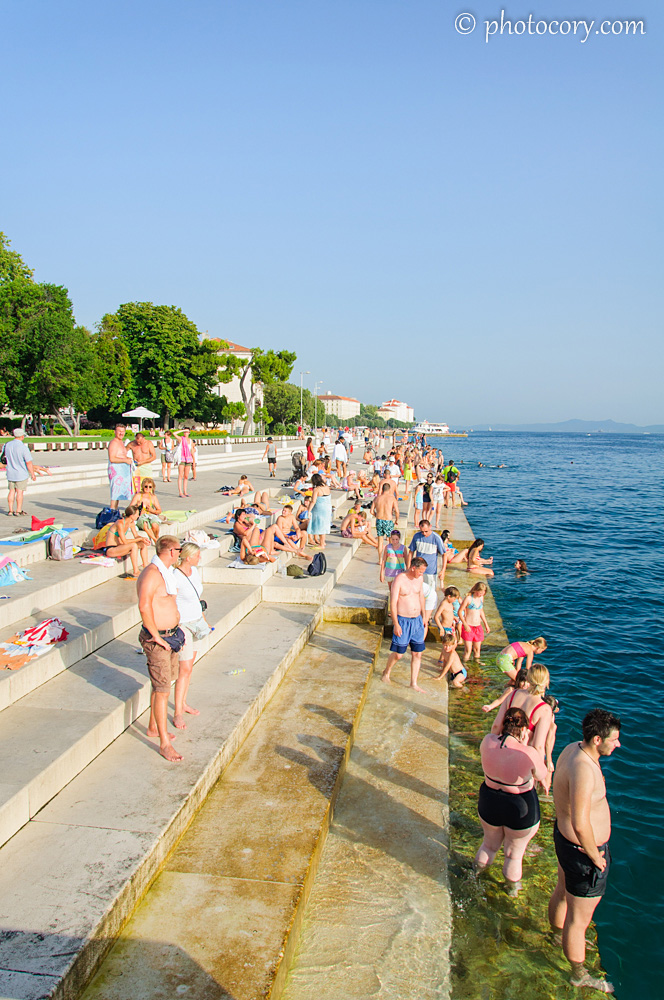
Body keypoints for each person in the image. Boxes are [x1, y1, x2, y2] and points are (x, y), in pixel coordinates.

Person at [547, 709, 621, 994]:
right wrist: (594, 857)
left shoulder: (571, 749)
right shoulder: (584, 770)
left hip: (566, 842)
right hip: (582, 853)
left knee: (562, 892)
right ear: (597, 739)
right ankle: (579, 974)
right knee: (578, 922)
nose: (618, 744)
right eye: (613, 740)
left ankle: (557, 936)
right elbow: (580, 823)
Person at [475, 707, 549, 895]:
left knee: (488, 846)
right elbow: (542, 774)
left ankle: (476, 876)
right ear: (524, 730)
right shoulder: (528, 752)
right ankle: (512, 892)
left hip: (490, 800)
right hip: (520, 806)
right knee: (513, 855)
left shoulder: (487, 741)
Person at [137, 536, 185, 762]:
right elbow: (144, 606)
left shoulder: (165, 573)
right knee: (163, 688)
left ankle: (153, 726)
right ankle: (164, 744)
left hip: (171, 636)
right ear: (171, 551)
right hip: (158, 639)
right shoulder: (152, 574)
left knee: (162, 685)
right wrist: (156, 636)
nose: (180, 554)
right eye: (179, 550)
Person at [491, 664, 553, 790]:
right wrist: (540, 775)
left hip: (502, 751)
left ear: (528, 679)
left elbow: (496, 726)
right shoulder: (544, 709)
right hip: (521, 759)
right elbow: (538, 746)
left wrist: (492, 748)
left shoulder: (513, 694)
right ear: (546, 682)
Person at [173, 541, 209, 729]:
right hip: (183, 624)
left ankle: (183, 702)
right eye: (197, 555)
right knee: (184, 668)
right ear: (188, 557)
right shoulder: (175, 576)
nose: (200, 558)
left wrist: (204, 619)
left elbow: (197, 598)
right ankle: (177, 712)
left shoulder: (194, 572)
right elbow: (171, 602)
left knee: (189, 668)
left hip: (197, 621)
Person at [381, 557, 428, 692]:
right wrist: (396, 623)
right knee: (398, 654)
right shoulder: (399, 579)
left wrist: (424, 616)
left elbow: (421, 597)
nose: (422, 574)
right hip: (403, 620)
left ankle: (413, 683)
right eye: (420, 571)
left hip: (417, 620)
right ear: (413, 568)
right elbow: (393, 603)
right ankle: (386, 672)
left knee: (417, 653)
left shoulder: (419, 579)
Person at [93, 504, 150, 578]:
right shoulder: (120, 523)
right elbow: (124, 542)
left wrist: (143, 539)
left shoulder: (131, 523)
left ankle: (145, 565)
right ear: (131, 516)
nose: (138, 516)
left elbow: (136, 536)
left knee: (143, 544)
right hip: (111, 549)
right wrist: (140, 539)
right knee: (133, 545)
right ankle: (136, 571)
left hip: (120, 547)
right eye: (137, 514)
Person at [2, 428, 36, 516]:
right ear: (22, 436)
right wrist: (32, 474)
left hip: (10, 472)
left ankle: (10, 510)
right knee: (19, 492)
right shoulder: (23, 447)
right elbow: (28, 462)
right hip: (21, 473)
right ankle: (18, 510)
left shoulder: (7, 445)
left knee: (11, 491)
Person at [409, 519, 446, 593]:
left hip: (430, 572)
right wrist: (409, 566)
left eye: (426, 531)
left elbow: (444, 554)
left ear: (430, 527)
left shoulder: (436, 538)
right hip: (418, 570)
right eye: (422, 531)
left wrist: (443, 570)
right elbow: (411, 552)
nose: (424, 533)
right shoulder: (416, 536)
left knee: (430, 592)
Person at [458, 581, 490, 664]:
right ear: (475, 590)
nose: (482, 594)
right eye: (480, 592)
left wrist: (486, 624)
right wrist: (465, 624)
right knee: (468, 650)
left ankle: (476, 665)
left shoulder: (481, 598)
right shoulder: (468, 598)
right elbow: (460, 611)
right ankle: (464, 664)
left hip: (478, 626)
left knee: (477, 649)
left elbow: (481, 611)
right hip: (469, 626)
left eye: (483, 592)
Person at [371, 483, 401, 558]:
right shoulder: (392, 499)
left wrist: (377, 515)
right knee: (391, 541)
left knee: (380, 541)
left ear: (382, 489)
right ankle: (390, 557)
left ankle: (380, 560)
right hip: (388, 520)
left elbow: (371, 511)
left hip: (379, 520)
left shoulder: (377, 498)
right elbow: (397, 511)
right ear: (390, 490)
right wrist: (396, 520)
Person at [108, 423, 133, 510]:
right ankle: (112, 512)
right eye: (119, 431)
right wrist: (125, 460)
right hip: (116, 471)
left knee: (118, 494)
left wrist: (127, 458)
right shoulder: (114, 443)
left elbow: (121, 455)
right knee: (115, 494)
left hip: (122, 471)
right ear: (115, 432)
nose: (121, 433)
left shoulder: (121, 442)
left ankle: (115, 511)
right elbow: (112, 458)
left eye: (123, 431)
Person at [131, 477, 163, 544]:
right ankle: (155, 539)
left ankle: (156, 537)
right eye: (146, 486)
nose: (148, 488)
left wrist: (152, 510)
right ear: (143, 486)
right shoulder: (138, 496)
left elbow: (159, 510)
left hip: (150, 515)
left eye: (150, 487)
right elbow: (130, 508)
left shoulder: (153, 497)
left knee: (154, 525)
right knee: (145, 524)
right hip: (141, 516)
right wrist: (137, 507)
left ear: (152, 487)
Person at [309, 473, 332, 548]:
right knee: (324, 525)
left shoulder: (316, 489)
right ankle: (323, 542)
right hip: (327, 508)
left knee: (320, 526)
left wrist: (309, 510)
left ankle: (321, 544)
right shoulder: (326, 486)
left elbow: (313, 501)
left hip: (319, 509)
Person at [174, 429, 195, 497]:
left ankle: (185, 491)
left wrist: (193, 461)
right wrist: (182, 430)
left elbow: (192, 450)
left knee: (186, 476)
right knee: (180, 475)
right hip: (182, 458)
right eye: (185, 432)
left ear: (189, 433)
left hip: (188, 458)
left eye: (187, 432)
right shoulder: (181, 439)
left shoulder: (190, 441)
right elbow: (174, 434)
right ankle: (180, 492)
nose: (185, 433)